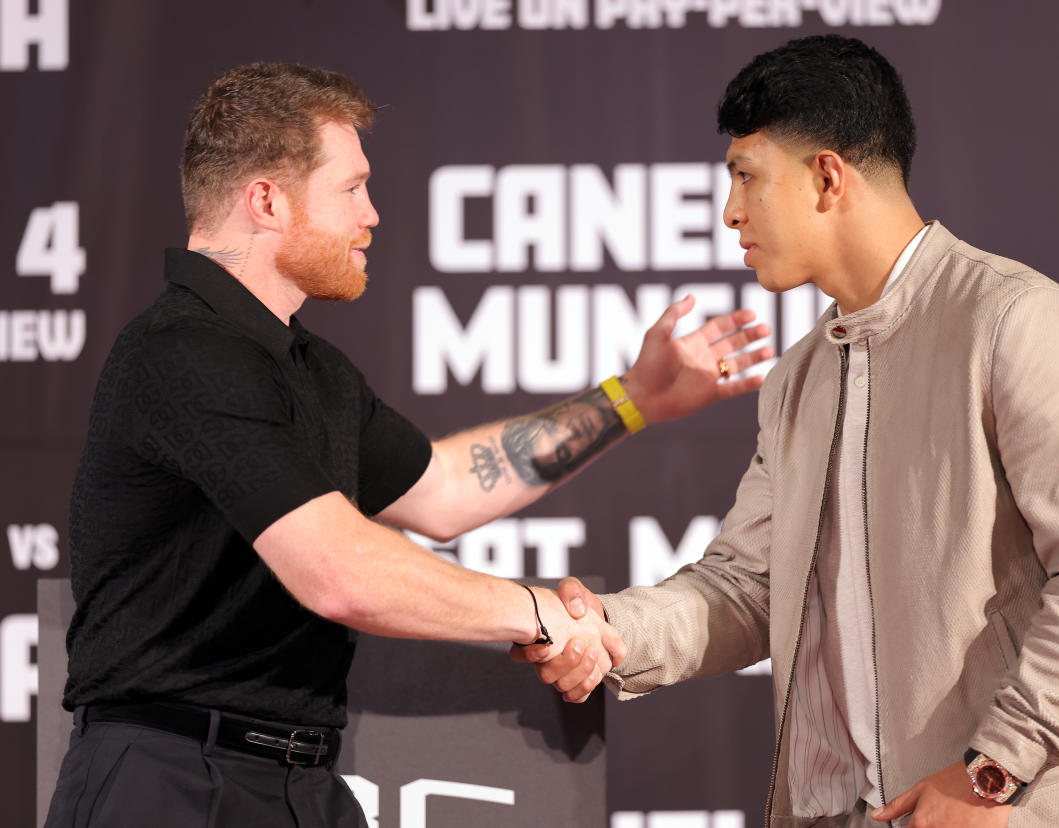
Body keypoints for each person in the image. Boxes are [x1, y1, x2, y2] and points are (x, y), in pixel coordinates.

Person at [44, 62, 773, 828]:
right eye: (351, 188)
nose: (373, 215)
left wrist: (633, 399)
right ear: (265, 199)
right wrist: (536, 612)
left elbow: (448, 488)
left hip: (300, 781)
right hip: (169, 782)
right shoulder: (184, 351)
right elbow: (338, 571)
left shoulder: (309, 369)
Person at [514, 35, 1059, 828]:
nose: (730, 211)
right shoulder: (799, 377)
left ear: (827, 177)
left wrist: (991, 768)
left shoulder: (1014, 320)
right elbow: (749, 586)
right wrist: (613, 630)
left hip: (1052, 805)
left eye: (745, 177)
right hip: (888, 809)